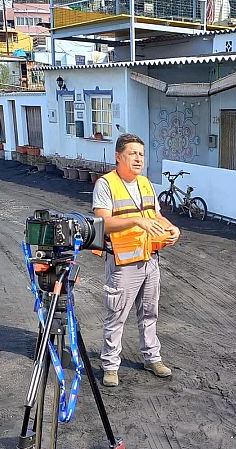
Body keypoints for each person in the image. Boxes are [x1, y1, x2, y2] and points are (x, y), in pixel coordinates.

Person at [92, 133, 180, 387]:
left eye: (141, 154)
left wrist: (172, 228)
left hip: (150, 259)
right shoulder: (106, 184)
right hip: (123, 263)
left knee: (150, 312)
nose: (139, 158)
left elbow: (156, 215)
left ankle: (152, 358)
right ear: (118, 156)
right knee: (117, 314)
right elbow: (103, 223)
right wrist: (136, 220)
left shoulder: (146, 184)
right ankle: (110, 365)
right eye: (133, 153)